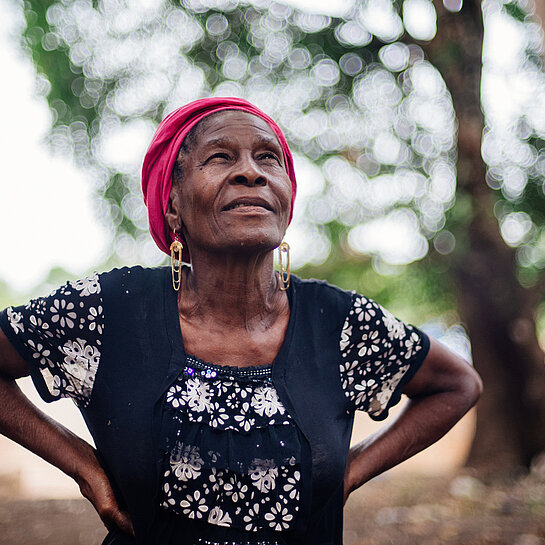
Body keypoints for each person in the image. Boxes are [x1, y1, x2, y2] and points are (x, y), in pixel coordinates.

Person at [0, 97, 482, 545]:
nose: (250, 173)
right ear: (172, 204)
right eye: (220, 158)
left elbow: (457, 384)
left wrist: (349, 472)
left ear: (288, 200)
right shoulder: (110, 311)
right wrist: (82, 465)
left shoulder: (338, 324)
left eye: (268, 158)